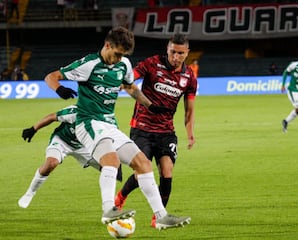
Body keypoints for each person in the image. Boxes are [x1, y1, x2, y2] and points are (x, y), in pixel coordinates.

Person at [44, 26, 190, 229]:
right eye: (117, 54)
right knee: (111, 160)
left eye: (123, 55)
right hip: (88, 122)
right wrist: (59, 89)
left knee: (143, 164)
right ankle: (108, 209)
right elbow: (51, 76)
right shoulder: (89, 64)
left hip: (109, 124)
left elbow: (130, 87)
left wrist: (150, 105)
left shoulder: (123, 64)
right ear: (107, 45)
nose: (119, 59)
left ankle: (161, 216)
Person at [114, 34, 197, 228]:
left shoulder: (189, 77)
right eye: (173, 52)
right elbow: (131, 76)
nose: (176, 57)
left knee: (167, 172)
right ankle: (121, 196)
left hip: (166, 131)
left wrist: (190, 133)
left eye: (180, 53)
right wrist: (121, 82)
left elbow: (189, 109)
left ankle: (158, 218)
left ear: (187, 53)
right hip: (142, 128)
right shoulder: (153, 63)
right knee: (142, 172)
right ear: (167, 49)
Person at [18, 105, 123, 208]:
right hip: (62, 141)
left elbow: (113, 137)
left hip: (83, 146)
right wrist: (33, 129)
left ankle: (112, 203)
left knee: (113, 169)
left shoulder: (106, 118)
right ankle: (30, 192)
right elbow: (52, 117)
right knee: (51, 163)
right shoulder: (74, 112)